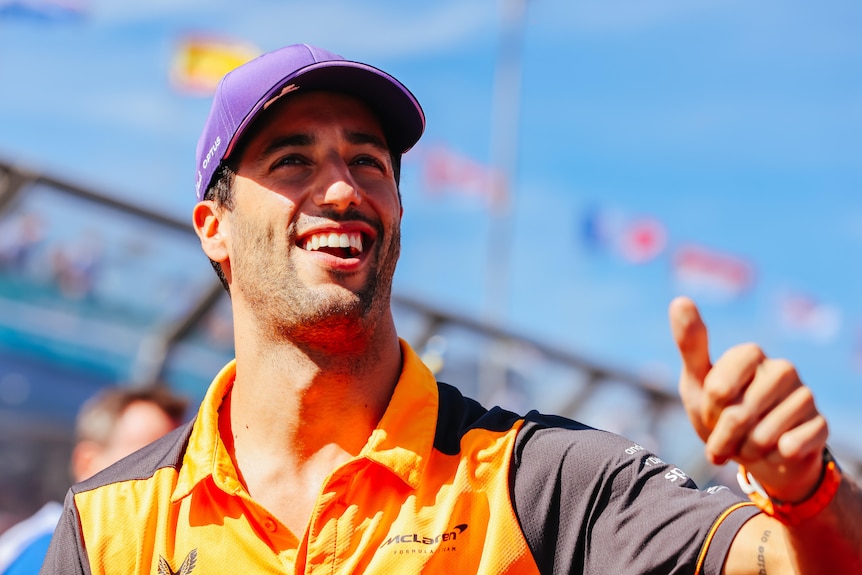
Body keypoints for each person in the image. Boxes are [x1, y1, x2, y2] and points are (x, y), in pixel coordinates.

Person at [40, 43, 861, 574]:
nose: (342, 189)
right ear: (214, 229)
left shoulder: (543, 480)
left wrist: (806, 491)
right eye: (293, 161)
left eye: (369, 162)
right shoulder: (113, 523)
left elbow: (784, 561)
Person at [1, 386, 187, 575]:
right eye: (145, 462)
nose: (167, 481)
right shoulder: (52, 554)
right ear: (86, 463)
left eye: (179, 465)